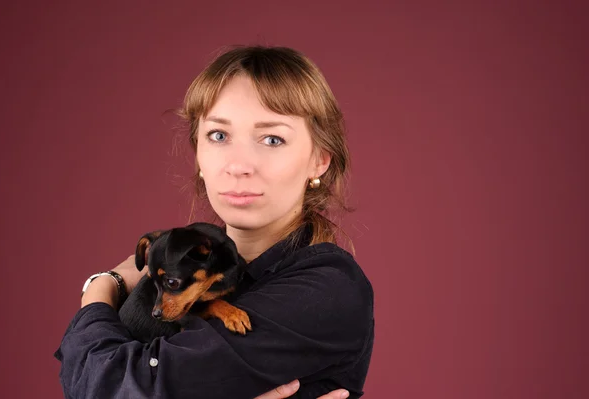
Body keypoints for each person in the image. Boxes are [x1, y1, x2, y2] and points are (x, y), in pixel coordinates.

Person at [55, 45, 374, 399]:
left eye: (272, 139)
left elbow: (109, 389)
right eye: (219, 136)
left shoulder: (325, 289)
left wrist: (101, 291)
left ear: (320, 161)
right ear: (198, 156)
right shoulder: (183, 267)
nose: (238, 165)